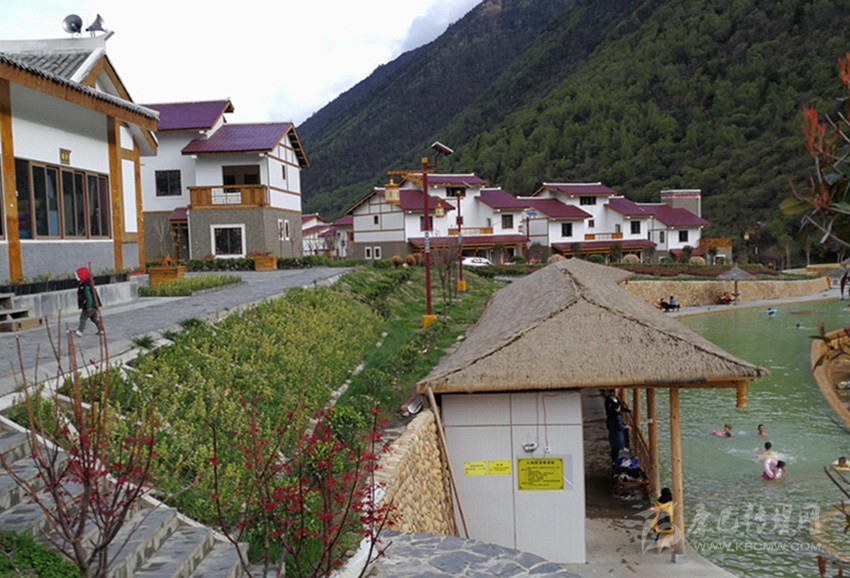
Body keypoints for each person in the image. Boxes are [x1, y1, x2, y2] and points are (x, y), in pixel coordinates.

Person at [74, 266, 102, 337]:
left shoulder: (86, 286)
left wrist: (89, 306)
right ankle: (101, 329)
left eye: (78, 276)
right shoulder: (85, 284)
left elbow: (89, 297)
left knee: (83, 317)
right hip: (94, 305)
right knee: (94, 318)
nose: (76, 278)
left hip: (89, 305)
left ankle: (80, 331)